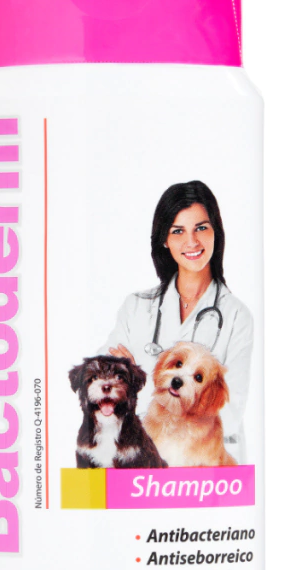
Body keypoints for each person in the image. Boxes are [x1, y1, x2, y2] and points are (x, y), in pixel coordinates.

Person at [101, 180, 253, 461]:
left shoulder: (236, 316)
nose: (192, 242)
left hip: (204, 467)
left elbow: (228, 413)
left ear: (216, 232)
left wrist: (139, 383)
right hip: (142, 466)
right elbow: (104, 391)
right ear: (164, 239)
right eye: (178, 231)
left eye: (201, 228)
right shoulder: (136, 308)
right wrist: (191, 400)